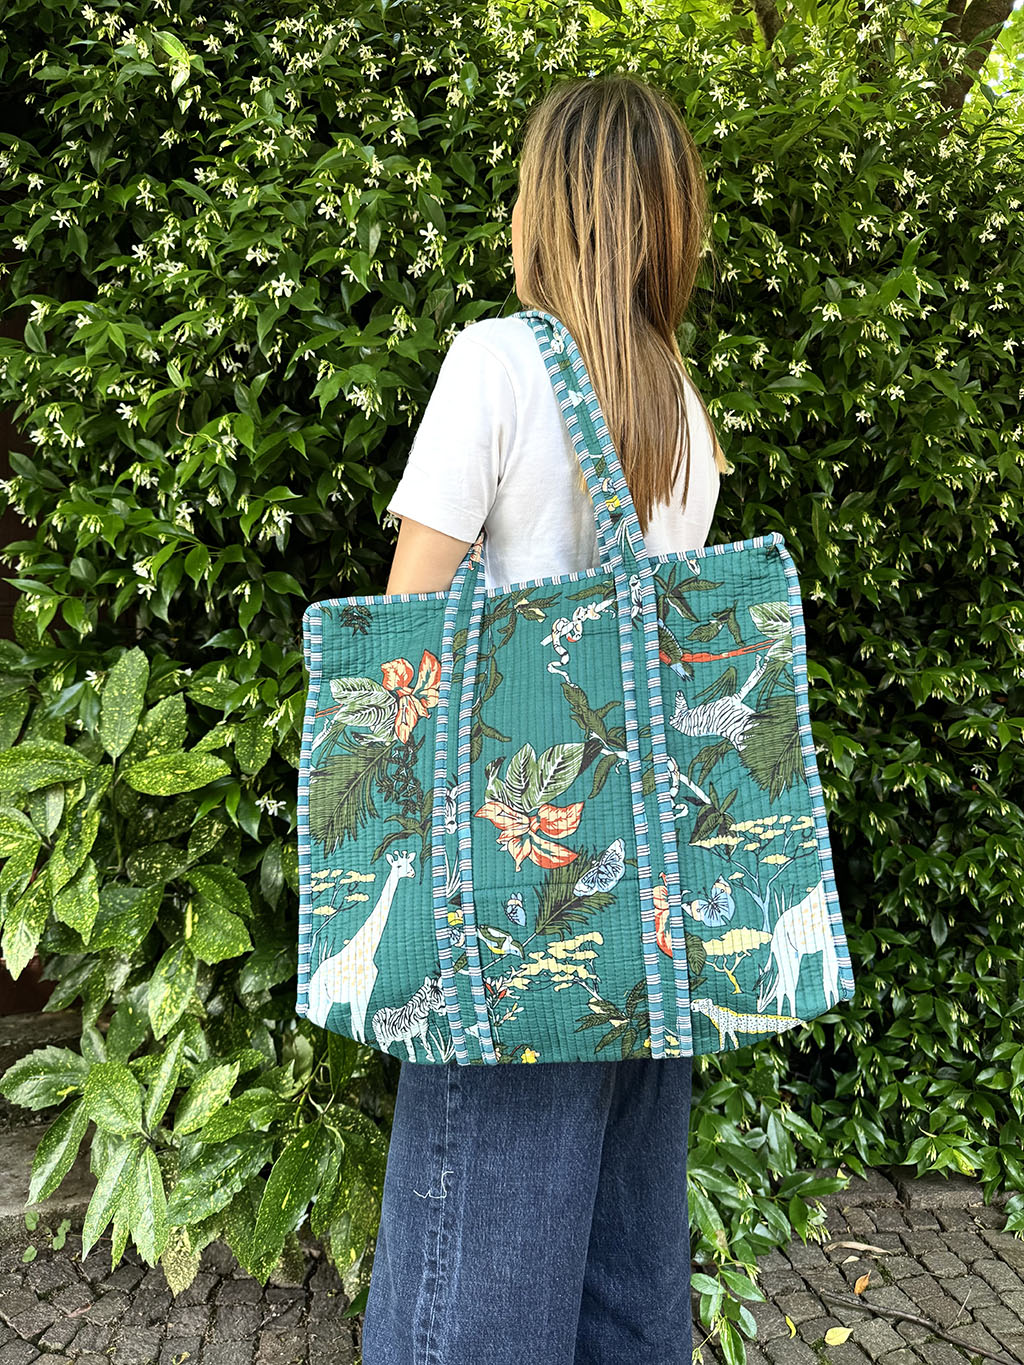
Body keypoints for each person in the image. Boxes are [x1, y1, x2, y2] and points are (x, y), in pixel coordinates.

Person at [361, 72, 729, 1365]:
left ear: (545, 210)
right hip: (651, 903)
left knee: (475, 1274)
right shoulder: (682, 410)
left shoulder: (498, 363)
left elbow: (405, 638)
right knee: (626, 1271)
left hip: (513, 898)